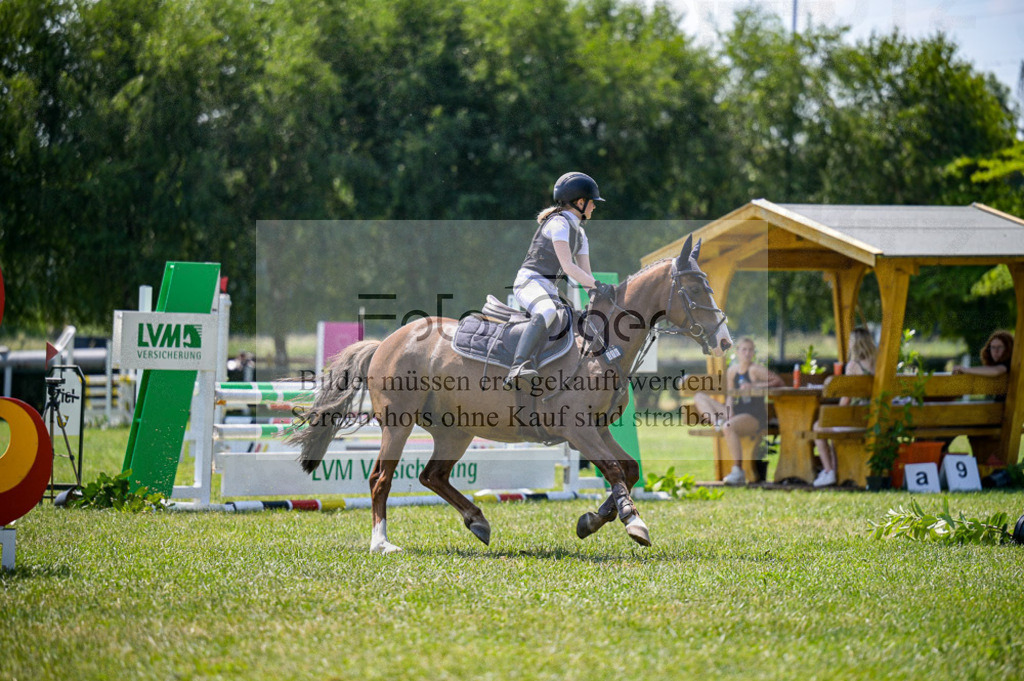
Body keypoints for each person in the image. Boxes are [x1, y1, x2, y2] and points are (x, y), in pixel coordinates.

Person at [505, 172, 614, 386]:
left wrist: (598, 294)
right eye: (592, 202)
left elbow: (586, 276)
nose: (595, 207)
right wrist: (597, 285)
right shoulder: (558, 224)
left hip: (549, 289)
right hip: (529, 282)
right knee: (547, 311)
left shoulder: (581, 235)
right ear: (580, 202)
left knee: (575, 323)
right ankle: (518, 365)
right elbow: (568, 266)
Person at [693, 337, 784, 485]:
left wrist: (755, 386)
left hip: (753, 416)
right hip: (736, 412)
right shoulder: (732, 371)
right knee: (699, 397)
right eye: (744, 349)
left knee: (728, 427)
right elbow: (730, 394)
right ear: (737, 352)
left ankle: (738, 471)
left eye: (750, 350)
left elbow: (778, 382)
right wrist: (729, 410)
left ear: (753, 352)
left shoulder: (755, 369)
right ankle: (718, 421)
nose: (747, 353)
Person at [812, 327, 877, 488]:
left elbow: (846, 399)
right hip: (873, 416)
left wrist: (838, 415)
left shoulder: (853, 366)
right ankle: (835, 468)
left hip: (855, 419)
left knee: (818, 427)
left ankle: (829, 471)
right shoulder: (880, 364)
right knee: (832, 428)